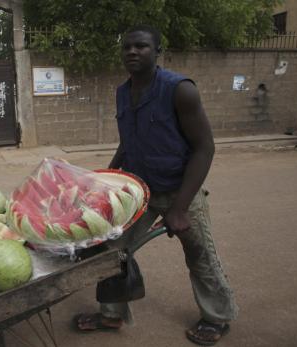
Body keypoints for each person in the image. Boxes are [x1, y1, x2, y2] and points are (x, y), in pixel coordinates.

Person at [74, 25, 238, 346]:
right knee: (113, 248)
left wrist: (179, 209)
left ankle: (217, 317)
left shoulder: (180, 90)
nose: (132, 52)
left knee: (200, 254)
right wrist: (106, 179)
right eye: (127, 47)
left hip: (181, 189)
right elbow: (128, 142)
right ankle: (111, 313)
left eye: (141, 47)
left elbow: (205, 148)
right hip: (138, 190)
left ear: (158, 52)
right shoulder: (123, 92)